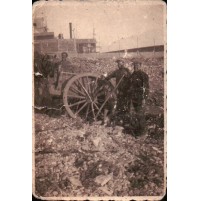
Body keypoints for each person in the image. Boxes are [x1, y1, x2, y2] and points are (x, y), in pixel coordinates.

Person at [129, 59, 149, 136]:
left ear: (140, 66)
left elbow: (146, 88)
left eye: (137, 65)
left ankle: (143, 132)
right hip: (134, 97)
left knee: (140, 114)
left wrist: (144, 98)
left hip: (140, 97)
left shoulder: (143, 75)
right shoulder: (133, 74)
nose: (136, 67)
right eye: (134, 65)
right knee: (137, 113)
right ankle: (138, 130)